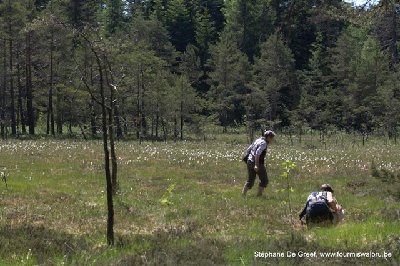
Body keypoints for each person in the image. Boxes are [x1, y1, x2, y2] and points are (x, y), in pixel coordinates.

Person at [242, 130, 276, 197]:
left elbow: (248, 149)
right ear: (269, 137)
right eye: (272, 138)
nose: (273, 140)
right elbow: (257, 154)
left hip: (249, 161)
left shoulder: (258, 140)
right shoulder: (264, 143)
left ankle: (243, 195)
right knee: (264, 180)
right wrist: (256, 165)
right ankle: (259, 196)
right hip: (257, 163)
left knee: (250, 180)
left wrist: (250, 159)